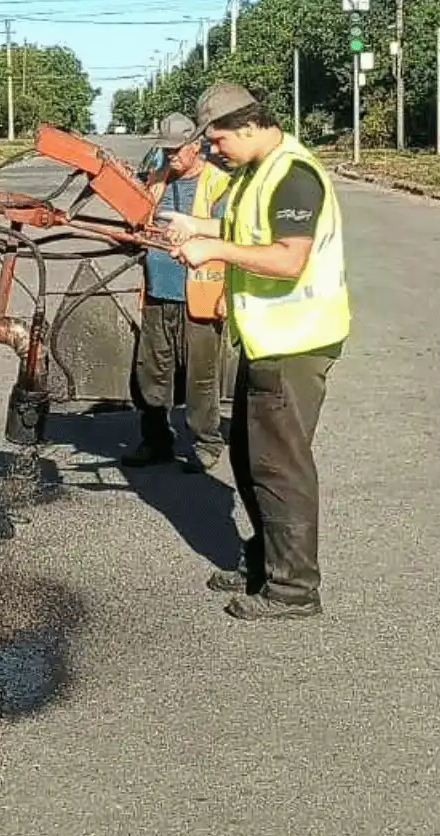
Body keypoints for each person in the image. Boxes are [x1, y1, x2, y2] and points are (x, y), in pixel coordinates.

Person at [162, 82, 350, 621]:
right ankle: (264, 562)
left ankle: (293, 589)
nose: (213, 149)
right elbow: (246, 229)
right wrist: (197, 226)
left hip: (296, 344)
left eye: (218, 139)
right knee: (248, 458)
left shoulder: (293, 174)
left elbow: (289, 258)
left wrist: (213, 249)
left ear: (248, 126)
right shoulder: (254, 172)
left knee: (278, 467)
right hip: (269, 343)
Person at [123, 114, 231, 474]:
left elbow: (232, 240)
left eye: (176, 150)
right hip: (158, 293)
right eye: (165, 150)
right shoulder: (155, 180)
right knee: (151, 373)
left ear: (196, 145)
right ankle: (156, 441)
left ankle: (206, 443)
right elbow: (137, 223)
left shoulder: (218, 184)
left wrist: (226, 294)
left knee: (200, 376)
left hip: (200, 296)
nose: (170, 157)